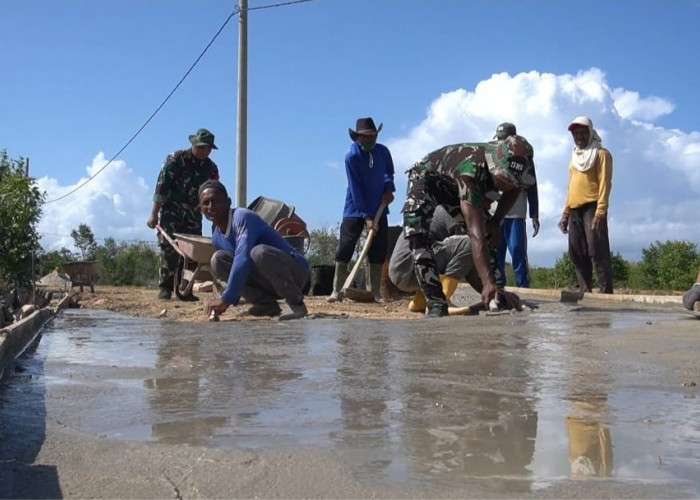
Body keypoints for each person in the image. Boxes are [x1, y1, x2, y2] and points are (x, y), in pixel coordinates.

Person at [402, 135, 536, 317]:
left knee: (489, 232)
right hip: (427, 179)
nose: (507, 185)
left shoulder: (519, 170)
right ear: (495, 165)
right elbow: (475, 233)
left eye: (512, 181)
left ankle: (496, 295)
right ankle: (435, 302)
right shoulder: (471, 170)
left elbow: (515, 188)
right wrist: (487, 281)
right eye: (503, 179)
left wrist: (496, 221)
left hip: (454, 186)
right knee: (416, 232)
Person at [199, 180, 310, 321]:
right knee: (218, 259)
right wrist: (229, 297)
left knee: (258, 252)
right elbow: (235, 269)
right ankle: (265, 304)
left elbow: (242, 257)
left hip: (295, 272)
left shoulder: (242, 217)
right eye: (206, 203)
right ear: (200, 208)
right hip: (266, 279)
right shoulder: (216, 236)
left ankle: (297, 304)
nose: (211, 207)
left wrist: (226, 298)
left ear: (228, 202)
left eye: (216, 201)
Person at [147, 128, 220, 300]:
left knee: (192, 254)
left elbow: (215, 195)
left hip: (194, 213)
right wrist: (154, 214)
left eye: (208, 148)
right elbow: (161, 187)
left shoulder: (210, 168)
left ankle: (183, 289)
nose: (205, 151)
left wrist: (216, 219)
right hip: (172, 210)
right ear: (194, 145)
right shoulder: (176, 160)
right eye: (202, 147)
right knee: (169, 249)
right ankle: (165, 287)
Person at [328, 117, 395, 303]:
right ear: (357, 138)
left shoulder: (383, 152)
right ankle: (336, 290)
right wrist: (366, 217)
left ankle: (375, 292)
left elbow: (388, 173)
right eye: (365, 138)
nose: (369, 141)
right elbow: (355, 187)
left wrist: (389, 189)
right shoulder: (352, 157)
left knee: (378, 249)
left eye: (372, 137)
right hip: (355, 209)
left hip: (379, 207)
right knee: (346, 247)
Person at [558, 116, 613, 294]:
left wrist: (601, 211)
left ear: (590, 133)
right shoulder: (574, 158)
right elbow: (570, 187)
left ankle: (606, 291)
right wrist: (565, 214)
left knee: (597, 250)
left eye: (583, 133)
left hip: (592, 207)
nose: (579, 137)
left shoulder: (601, 154)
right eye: (576, 134)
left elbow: (605, 183)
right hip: (574, 209)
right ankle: (585, 291)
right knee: (576, 252)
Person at [492, 123, 540, 288]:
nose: (501, 142)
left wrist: (534, 214)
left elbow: (532, 187)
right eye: (499, 139)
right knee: (495, 253)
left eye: (504, 139)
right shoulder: (492, 155)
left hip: (516, 213)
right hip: (494, 214)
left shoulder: (524, 157)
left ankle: (523, 287)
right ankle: (498, 287)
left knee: (517, 250)